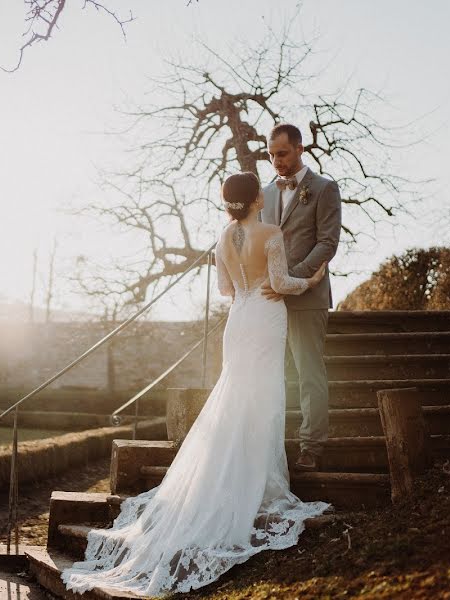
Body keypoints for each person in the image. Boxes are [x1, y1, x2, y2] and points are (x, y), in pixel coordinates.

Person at [61, 171, 330, 597]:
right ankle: (258, 483)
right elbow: (280, 284)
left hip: (239, 319)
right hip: (265, 318)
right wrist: (311, 281)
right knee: (263, 398)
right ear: (256, 198)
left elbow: (225, 288)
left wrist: (248, 286)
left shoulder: (222, 239)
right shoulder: (272, 232)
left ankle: (232, 476)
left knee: (235, 396)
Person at [260, 123, 342, 471]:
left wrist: (293, 278)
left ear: (299, 149)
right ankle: (267, 445)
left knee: (308, 370)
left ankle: (311, 446)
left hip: (308, 296)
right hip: (268, 300)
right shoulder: (264, 193)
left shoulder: (324, 188)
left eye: (282, 153)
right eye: (271, 154)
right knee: (267, 373)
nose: (276, 161)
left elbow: (328, 242)